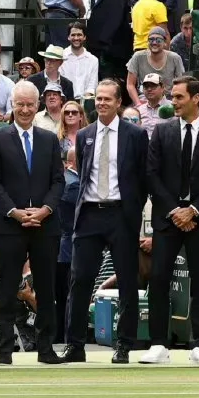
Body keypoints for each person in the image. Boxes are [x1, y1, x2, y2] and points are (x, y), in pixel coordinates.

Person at [144, 76, 199, 364]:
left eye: (179, 97)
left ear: (196, 98)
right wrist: (175, 211)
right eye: (173, 96)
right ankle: (158, 343)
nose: (174, 102)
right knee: (158, 278)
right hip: (169, 218)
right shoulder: (161, 132)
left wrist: (193, 210)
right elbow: (152, 175)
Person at [64, 79, 146, 364]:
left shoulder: (135, 135)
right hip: (89, 214)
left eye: (106, 99)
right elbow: (82, 171)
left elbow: (142, 178)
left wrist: (133, 211)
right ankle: (74, 345)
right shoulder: (84, 135)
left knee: (127, 281)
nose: (101, 103)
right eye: (97, 99)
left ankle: (123, 344)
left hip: (121, 214)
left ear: (118, 102)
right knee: (80, 280)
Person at [0, 80, 65, 364]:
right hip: (10, 225)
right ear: (12, 105)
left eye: (31, 104)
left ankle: (45, 349)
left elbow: (58, 181)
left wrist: (44, 210)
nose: (26, 109)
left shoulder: (49, 139)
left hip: (46, 225)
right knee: (7, 287)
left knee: (45, 288)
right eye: (20, 104)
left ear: (38, 105)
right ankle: (5, 351)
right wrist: (14, 212)